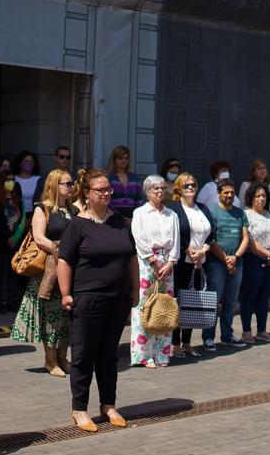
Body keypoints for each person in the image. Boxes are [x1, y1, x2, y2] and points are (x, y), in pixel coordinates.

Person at [57, 168, 137, 432]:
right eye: (100, 190)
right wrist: (66, 293)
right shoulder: (77, 225)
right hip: (87, 299)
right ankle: (79, 409)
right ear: (87, 194)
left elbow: (131, 258)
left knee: (108, 354)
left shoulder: (122, 222)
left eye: (108, 189)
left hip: (117, 298)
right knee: (83, 355)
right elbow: (64, 261)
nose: (105, 194)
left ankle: (108, 405)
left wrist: (135, 290)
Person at [12, 168, 76, 376]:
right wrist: (61, 250)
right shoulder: (43, 209)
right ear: (54, 186)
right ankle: (50, 360)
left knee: (66, 315)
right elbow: (39, 238)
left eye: (71, 183)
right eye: (67, 183)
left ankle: (63, 357)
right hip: (48, 271)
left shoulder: (73, 210)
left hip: (69, 268)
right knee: (51, 315)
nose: (71, 186)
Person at [130, 175, 180, 367]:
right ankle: (143, 355)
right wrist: (152, 261)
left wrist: (171, 262)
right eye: (155, 189)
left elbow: (175, 241)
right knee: (146, 306)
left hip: (167, 262)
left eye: (161, 188)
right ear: (148, 192)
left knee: (164, 306)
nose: (160, 191)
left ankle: (162, 353)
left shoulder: (171, 214)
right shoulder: (140, 213)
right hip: (147, 262)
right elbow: (139, 238)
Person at [167, 172, 213, 358]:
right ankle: (175, 344)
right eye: (186, 185)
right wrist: (188, 250)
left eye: (193, 184)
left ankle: (187, 342)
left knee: (193, 302)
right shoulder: (174, 208)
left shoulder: (202, 208)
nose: (191, 188)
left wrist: (204, 250)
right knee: (179, 302)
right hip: (182, 262)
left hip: (201, 262)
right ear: (178, 189)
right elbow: (175, 234)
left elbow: (212, 234)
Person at [202, 179, 249, 350]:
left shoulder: (240, 213)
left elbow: (245, 238)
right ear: (219, 193)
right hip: (217, 263)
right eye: (226, 192)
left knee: (231, 301)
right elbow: (211, 239)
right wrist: (225, 259)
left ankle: (227, 335)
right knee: (213, 301)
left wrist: (235, 257)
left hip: (237, 263)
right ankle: (208, 337)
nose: (229, 195)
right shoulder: (211, 212)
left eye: (232, 192)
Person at [239, 182, 270, 343]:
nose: (261, 199)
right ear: (251, 197)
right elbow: (250, 241)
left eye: (264, 195)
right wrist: (269, 255)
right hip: (254, 260)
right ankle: (246, 331)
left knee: (264, 297)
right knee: (249, 295)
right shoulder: (246, 214)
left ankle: (262, 330)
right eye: (258, 195)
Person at [0, 161, 24, 313]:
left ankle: (11, 300)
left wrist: (15, 237)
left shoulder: (16, 198)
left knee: (12, 272)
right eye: (8, 180)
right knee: (0, 271)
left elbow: (21, 217)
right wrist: (7, 238)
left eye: (13, 180)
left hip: (15, 240)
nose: (11, 183)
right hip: (1, 240)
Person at [106, 145, 142, 218]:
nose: (124, 160)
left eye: (126, 158)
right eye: (120, 158)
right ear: (114, 159)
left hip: (132, 216)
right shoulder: (108, 177)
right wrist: (115, 214)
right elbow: (107, 199)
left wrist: (137, 215)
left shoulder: (135, 178)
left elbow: (139, 199)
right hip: (113, 215)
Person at [13, 150, 41, 215]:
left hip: (34, 214)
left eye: (31, 161)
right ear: (20, 164)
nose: (29, 163)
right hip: (17, 214)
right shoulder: (13, 179)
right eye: (26, 161)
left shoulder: (38, 179)